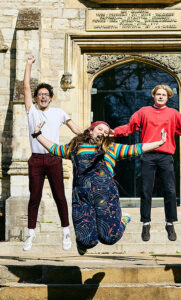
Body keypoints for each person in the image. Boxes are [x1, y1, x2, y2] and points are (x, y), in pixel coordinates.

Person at [33, 120, 167, 255]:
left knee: (109, 238)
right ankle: (82, 243)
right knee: (86, 241)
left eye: (106, 132)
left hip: (106, 197)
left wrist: (160, 143)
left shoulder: (112, 148)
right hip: (82, 198)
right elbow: (54, 149)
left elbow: (136, 148)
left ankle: (123, 218)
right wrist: (38, 134)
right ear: (91, 130)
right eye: (100, 129)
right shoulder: (75, 147)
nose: (102, 132)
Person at [112, 84, 181, 242]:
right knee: (145, 190)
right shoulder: (143, 112)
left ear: (168, 97)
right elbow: (129, 127)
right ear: (153, 95)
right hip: (148, 155)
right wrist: (113, 132)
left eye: (164, 95)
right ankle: (146, 223)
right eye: (158, 94)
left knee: (170, 190)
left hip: (165, 157)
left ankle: (170, 223)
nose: (161, 97)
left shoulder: (173, 114)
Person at [23, 56, 82, 251]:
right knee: (35, 197)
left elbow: (75, 128)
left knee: (59, 196)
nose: (43, 97)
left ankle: (66, 232)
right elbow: (24, 88)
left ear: (50, 96)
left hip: (54, 158)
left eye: (46, 94)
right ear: (36, 97)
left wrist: (91, 135)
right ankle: (30, 233)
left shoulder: (58, 112)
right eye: (40, 94)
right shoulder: (31, 111)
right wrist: (28, 65)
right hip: (36, 160)